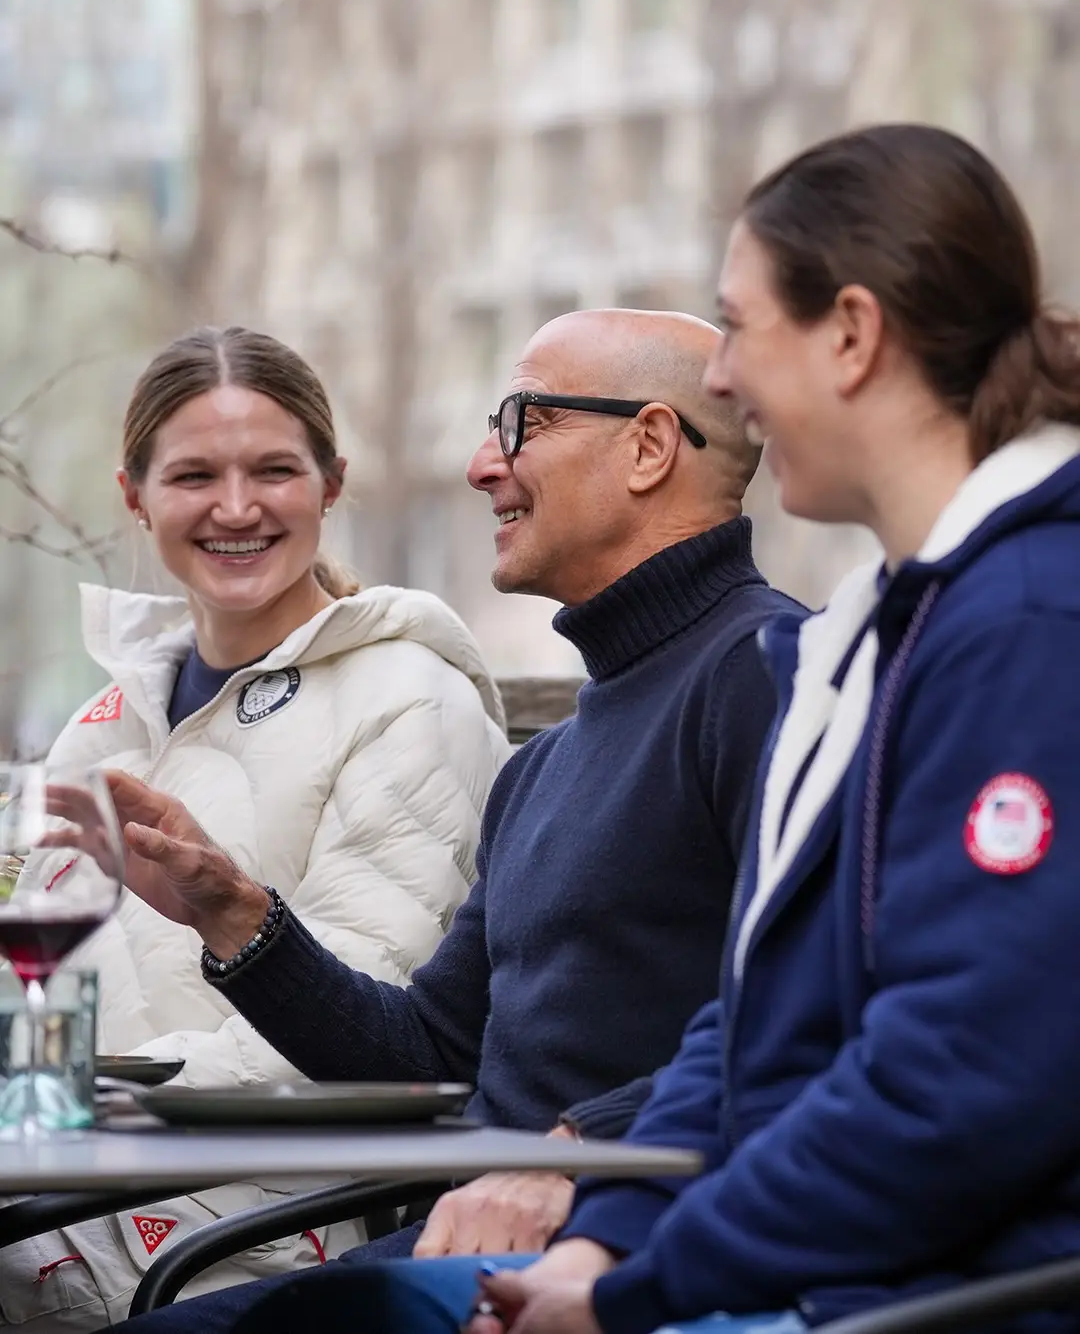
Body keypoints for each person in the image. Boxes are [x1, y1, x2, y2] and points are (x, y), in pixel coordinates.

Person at [218, 123, 1080, 1334]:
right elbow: (757, 1018)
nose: (724, 381)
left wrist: (633, 1267)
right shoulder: (871, 640)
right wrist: (613, 1240)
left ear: (850, 333)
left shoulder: (1018, 626)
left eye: (740, 327)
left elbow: (966, 1075)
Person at [107, 306, 806, 1333]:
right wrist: (236, 918)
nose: (482, 465)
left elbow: (819, 1008)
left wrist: (583, 1150)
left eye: (523, 422)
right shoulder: (552, 760)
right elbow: (431, 1054)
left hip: (622, 1249)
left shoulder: (770, 678)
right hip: (466, 1236)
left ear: (650, 446)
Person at [0, 326, 510, 1331]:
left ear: (331, 484)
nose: (236, 508)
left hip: (250, 1212)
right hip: (65, 1175)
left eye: (273, 470)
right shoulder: (104, 720)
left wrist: (60, 1112)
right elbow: (37, 982)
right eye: (194, 475)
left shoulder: (412, 701)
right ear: (135, 495)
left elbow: (366, 1025)